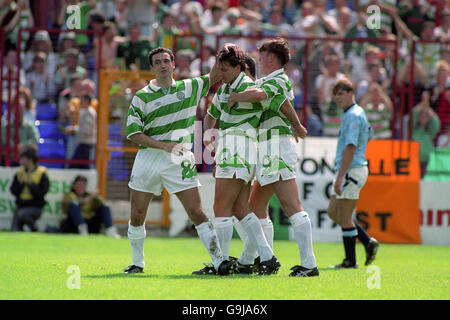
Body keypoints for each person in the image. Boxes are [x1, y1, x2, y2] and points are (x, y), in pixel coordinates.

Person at [123, 47, 235, 275]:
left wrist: (220, 55)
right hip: (149, 157)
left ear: (173, 64)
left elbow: (215, 76)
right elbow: (134, 134)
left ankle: (219, 261)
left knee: (197, 212)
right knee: (137, 214)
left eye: (166, 60)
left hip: (180, 158)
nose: (163, 65)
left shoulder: (190, 86)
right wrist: (164, 145)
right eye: (158, 62)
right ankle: (137, 263)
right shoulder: (142, 96)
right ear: (152, 68)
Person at [227, 38, 318, 277]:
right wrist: (297, 124)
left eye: (261, 54)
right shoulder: (269, 80)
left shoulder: (278, 78)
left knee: (291, 206)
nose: (258, 58)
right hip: (267, 147)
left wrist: (235, 96)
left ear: (270, 57)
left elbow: (262, 96)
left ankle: (309, 265)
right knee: (255, 207)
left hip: (275, 145)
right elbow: (282, 103)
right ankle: (250, 261)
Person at [200, 44, 280, 276]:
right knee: (239, 207)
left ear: (238, 67)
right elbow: (209, 116)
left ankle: (221, 262)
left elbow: (268, 97)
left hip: (238, 144)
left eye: (224, 69)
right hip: (232, 145)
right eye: (219, 69)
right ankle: (267, 256)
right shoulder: (224, 89)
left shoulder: (248, 86)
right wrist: (209, 139)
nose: (220, 74)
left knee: (221, 207)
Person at [327, 78, 379, 269]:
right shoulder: (357, 113)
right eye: (336, 94)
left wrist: (341, 175)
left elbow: (351, 146)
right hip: (350, 168)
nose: (338, 97)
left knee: (344, 216)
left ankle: (350, 261)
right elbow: (369, 135)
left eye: (341, 93)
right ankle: (367, 242)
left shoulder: (352, 115)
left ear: (351, 93)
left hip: (351, 170)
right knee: (333, 212)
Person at [10, 145, 49, 232]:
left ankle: (35, 228)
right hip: (21, 205)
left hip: (35, 206)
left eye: (23, 159)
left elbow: (42, 193)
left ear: (30, 159)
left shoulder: (41, 174)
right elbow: (13, 190)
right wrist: (22, 184)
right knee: (14, 230)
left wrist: (31, 184)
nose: (21, 161)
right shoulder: (20, 173)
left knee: (22, 214)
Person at [67, 94, 97, 169]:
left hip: (86, 143)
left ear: (87, 102)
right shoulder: (85, 111)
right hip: (83, 142)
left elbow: (87, 130)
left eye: (82, 101)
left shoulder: (89, 113)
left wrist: (74, 129)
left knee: (76, 164)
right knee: (82, 165)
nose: (80, 102)